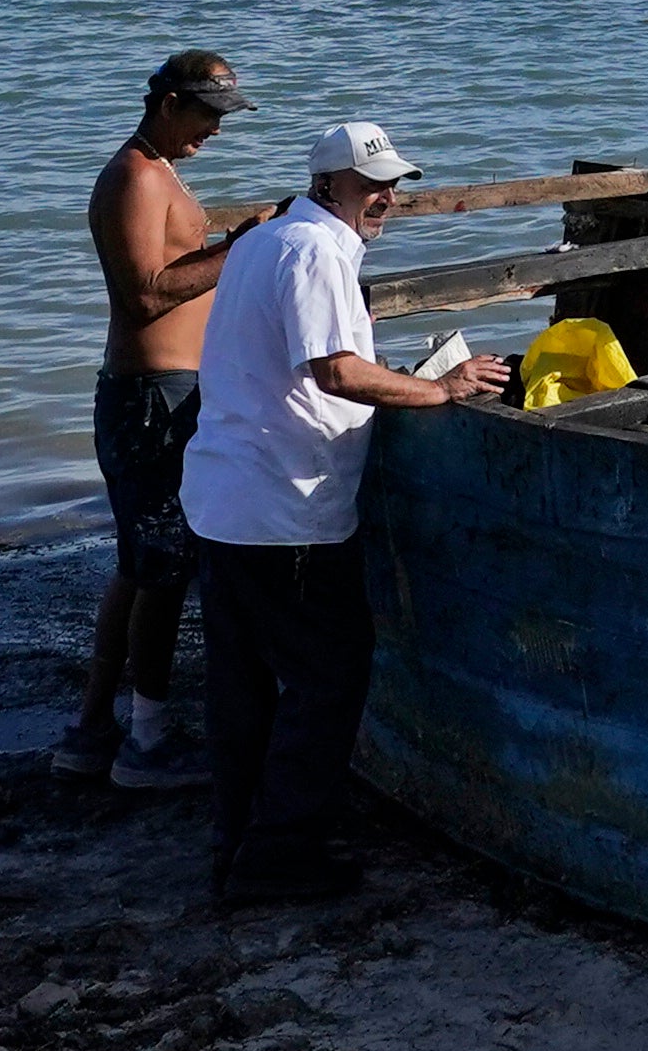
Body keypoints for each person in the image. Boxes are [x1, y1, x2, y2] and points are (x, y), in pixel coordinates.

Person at [180, 119, 511, 905]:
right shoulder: (316, 250)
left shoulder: (266, 239)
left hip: (226, 500)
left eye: (393, 184)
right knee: (328, 678)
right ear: (328, 184)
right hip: (285, 507)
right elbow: (334, 371)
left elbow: (304, 360)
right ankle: (280, 853)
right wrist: (438, 388)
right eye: (371, 185)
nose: (386, 197)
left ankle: (236, 841)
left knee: (242, 686)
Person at [68, 48, 287, 794]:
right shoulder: (133, 177)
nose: (215, 132)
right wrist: (240, 249)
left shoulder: (159, 170)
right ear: (168, 104)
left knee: (140, 565)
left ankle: (94, 730)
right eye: (207, 116)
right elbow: (145, 297)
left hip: (162, 391)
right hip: (151, 397)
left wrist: (234, 244)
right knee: (162, 571)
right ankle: (147, 744)